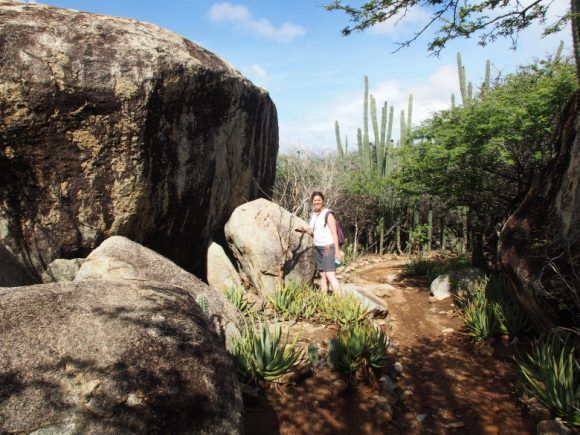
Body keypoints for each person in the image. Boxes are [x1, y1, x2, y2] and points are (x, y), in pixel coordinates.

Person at [295, 191, 344, 294]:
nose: (317, 202)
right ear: (312, 202)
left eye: (319, 200)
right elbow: (313, 231)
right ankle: (324, 299)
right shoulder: (314, 215)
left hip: (327, 247)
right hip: (318, 248)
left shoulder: (328, 214)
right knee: (322, 275)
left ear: (323, 201)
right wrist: (303, 229)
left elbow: (334, 233)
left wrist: (337, 251)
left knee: (330, 275)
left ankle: (340, 301)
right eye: (315, 200)